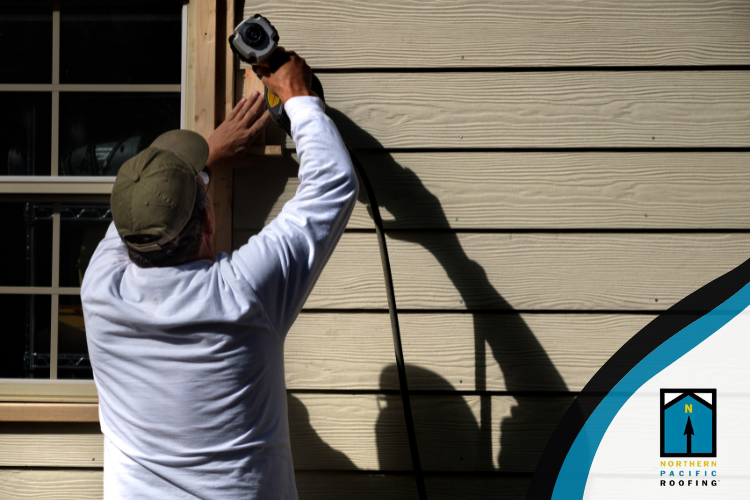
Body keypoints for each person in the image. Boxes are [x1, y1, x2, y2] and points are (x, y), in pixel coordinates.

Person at [81, 49, 358, 499]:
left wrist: (207, 155)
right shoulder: (242, 293)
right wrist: (298, 96)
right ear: (209, 223)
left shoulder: (98, 289)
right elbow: (333, 183)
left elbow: (138, 212)